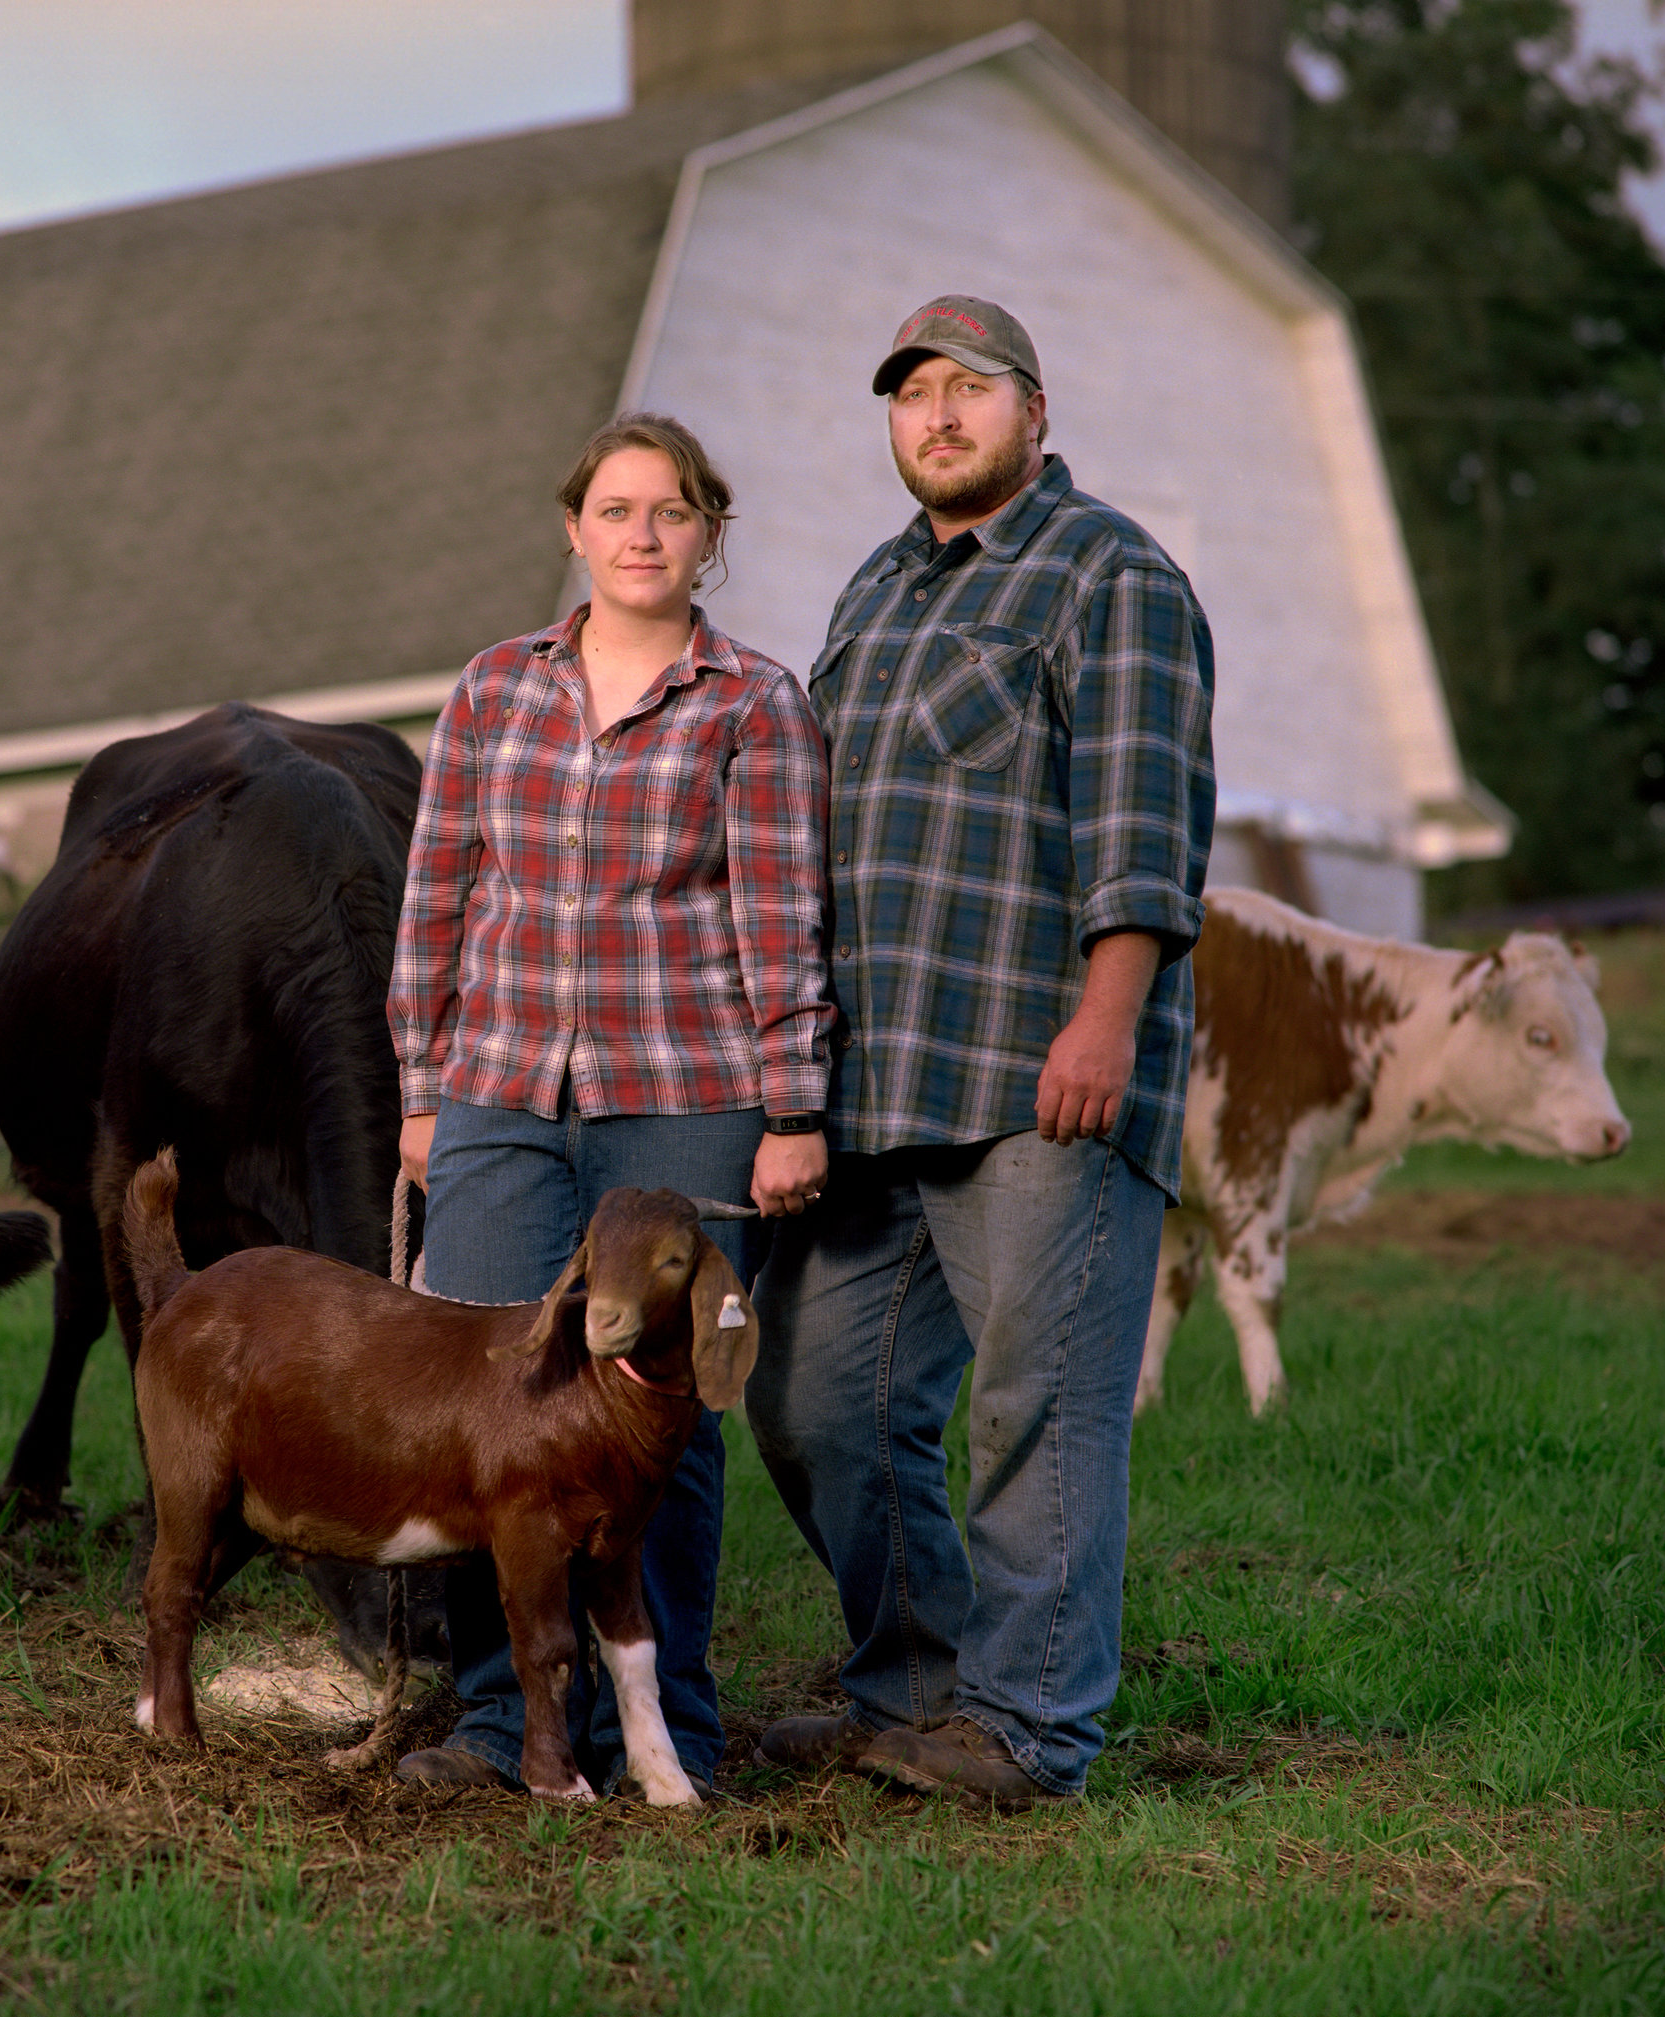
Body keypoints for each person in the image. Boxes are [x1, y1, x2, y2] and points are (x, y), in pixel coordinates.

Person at [746, 296, 1216, 1811]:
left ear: (1034, 407)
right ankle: (918, 1688)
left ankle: (1030, 1731)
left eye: (969, 389)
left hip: (1040, 1073)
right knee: (813, 1405)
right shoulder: (875, 595)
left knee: (1037, 1405)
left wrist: (1107, 1014)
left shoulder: (1109, 571)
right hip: (879, 1085)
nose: (937, 417)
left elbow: (1147, 817)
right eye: (912, 395)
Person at [386, 411, 834, 1796]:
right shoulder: (490, 690)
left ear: (711, 536)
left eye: (675, 512)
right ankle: (492, 1718)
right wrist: (422, 1088)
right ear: (574, 529)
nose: (645, 534)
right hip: (503, 1093)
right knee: (484, 1397)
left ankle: (671, 1728)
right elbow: (437, 901)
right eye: (619, 509)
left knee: (667, 1414)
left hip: (685, 1103)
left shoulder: (754, 703)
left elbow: (782, 920)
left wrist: (793, 1107)